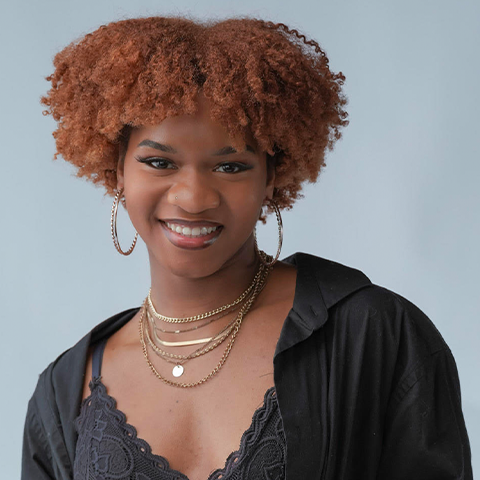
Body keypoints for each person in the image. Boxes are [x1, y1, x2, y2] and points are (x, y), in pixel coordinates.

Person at [21, 15, 473, 480]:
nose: (193, 197)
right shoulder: (65, 390)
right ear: (117, 171)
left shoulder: (374, 335)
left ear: (272, 176)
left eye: (230, 167)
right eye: (159, 162)